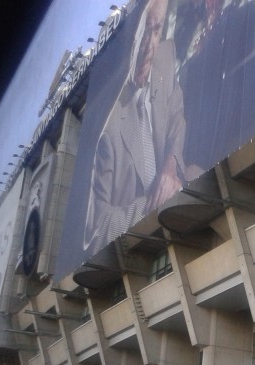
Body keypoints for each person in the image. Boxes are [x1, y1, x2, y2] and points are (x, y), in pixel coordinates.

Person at [83, 0, 187, 254]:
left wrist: (171, 165)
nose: (148, 46)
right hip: (136, 248)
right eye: (142, 33)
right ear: (130, 39)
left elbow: (177, 114)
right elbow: (95, 232)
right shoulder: (108, 133)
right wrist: (152, 204)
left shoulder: (165, 57)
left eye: (156, 29)